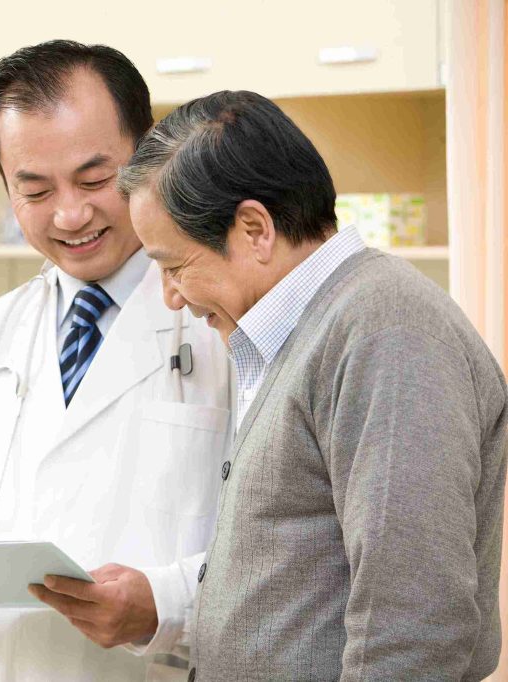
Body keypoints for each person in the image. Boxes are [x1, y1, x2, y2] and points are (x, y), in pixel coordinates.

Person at [116, 89, 508, 680]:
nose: (173, 296)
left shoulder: (386, 331)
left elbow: (413, 628)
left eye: (176, 266)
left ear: (254, 229)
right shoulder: (309, 330)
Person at [0, 41, 232, 681]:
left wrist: (164, 605)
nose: (71, 214)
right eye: (34, 190)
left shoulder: (222, 327)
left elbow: (287, 562)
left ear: (149, 156)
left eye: (96, 180)